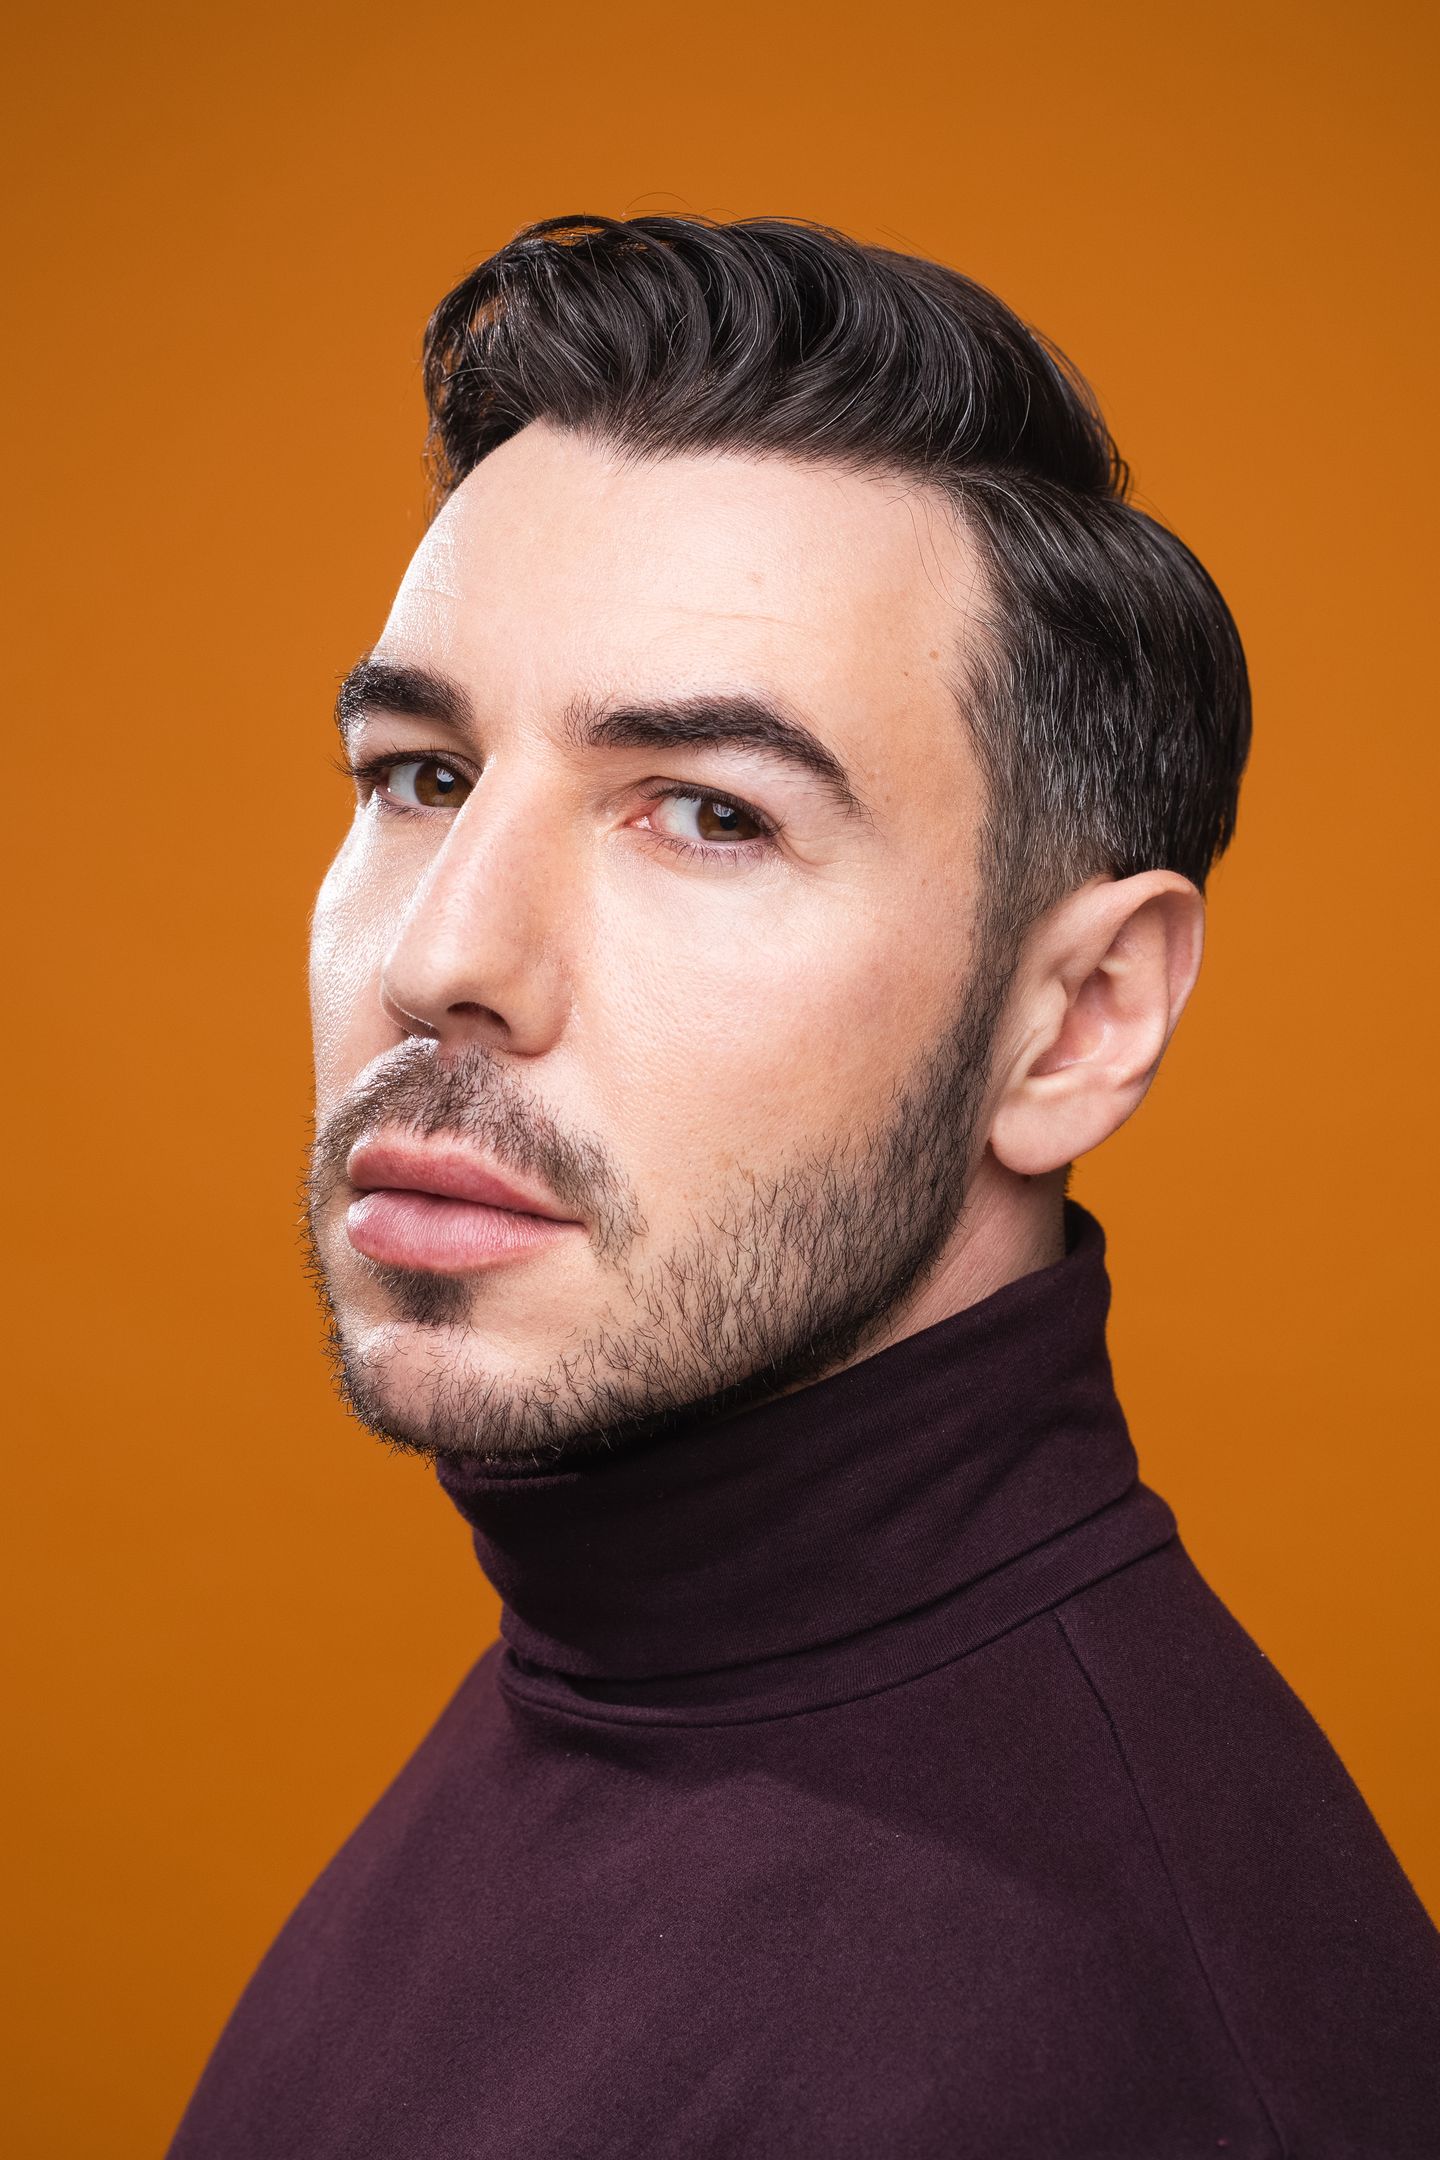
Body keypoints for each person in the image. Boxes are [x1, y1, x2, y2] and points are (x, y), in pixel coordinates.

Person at [168, 214, 1440, 2158]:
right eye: (422, 773)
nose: (442, 959)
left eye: (708, 813)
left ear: (1077, 1019)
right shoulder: (620, 1665)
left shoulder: (1100, 2054)